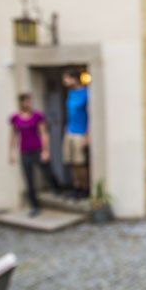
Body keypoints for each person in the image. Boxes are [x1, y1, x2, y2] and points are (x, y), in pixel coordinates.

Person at [9, 92, 59, 216]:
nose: (28, 103)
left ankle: (57, 189)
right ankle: (34, 206)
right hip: (24, 151)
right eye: (26, 101)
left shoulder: (37, 116)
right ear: (21, 103)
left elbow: (43, 133)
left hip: (37, 150)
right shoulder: (15, 118)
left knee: (48, 172)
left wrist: (45, 150)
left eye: (29, 101)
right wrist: (11, 153)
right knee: (29, 179)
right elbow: (13, 136)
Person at [62, 69, 90, 199]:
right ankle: (76, 187)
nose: (65, 81)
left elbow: (90, 115)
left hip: (81, 132)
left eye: (66, 78)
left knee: (80, 163)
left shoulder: (86, 93)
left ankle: (85, 188)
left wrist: (87, 136)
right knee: (71, 162)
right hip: (70, 131)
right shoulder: (70, 93)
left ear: (74, 78)